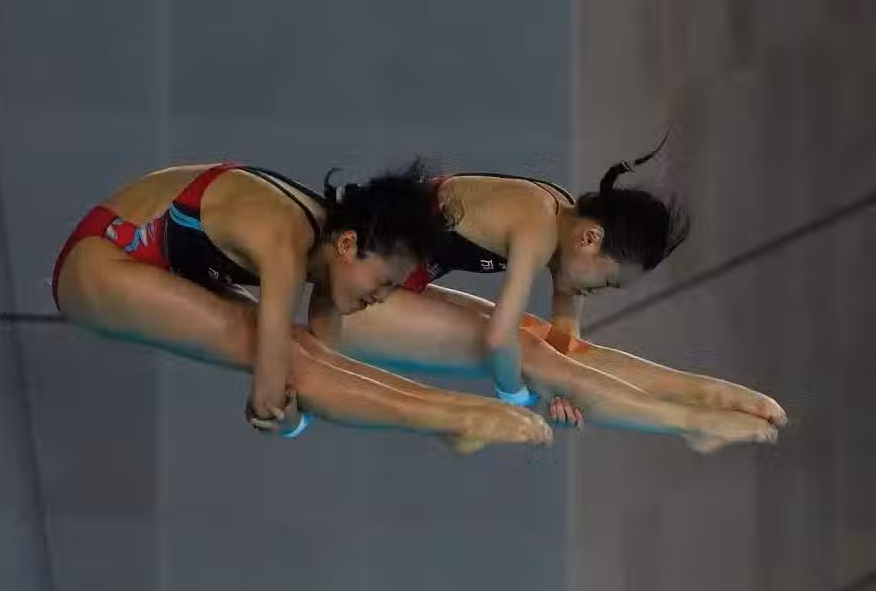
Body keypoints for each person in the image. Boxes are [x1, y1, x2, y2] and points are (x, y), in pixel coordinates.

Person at [310, 141, 784, 453]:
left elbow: (564, 338)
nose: (597, 293)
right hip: (348, 299)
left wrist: (567, 383)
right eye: (605, 283)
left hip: (388, 286)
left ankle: (699, 393)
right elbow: (500, 341)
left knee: (542, 348)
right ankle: (686, 421)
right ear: (590, 239)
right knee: (525, 349)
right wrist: (518, 397)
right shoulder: (536, 224)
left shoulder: (562, 216)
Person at [52, 160, 552, 449]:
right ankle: (454, 419)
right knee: (279, 350)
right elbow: (273, 392)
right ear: (348, 244)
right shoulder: (284, 241)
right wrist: (286, 416)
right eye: (383, 283)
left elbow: (306, 376)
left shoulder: (321, 242)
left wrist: (290, 418)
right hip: (104, 258)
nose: (382, 298)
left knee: (295, 349)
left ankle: (454, 417)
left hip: (168, 263)